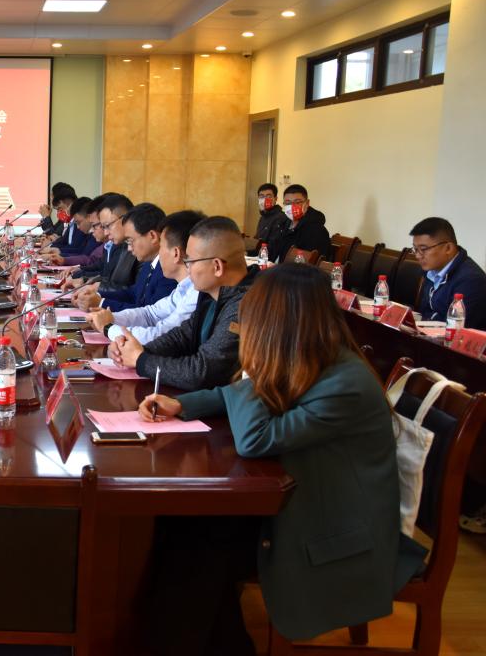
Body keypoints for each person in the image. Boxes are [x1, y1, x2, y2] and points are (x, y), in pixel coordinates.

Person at [137, 263, 426, 655]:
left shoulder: (345, 383)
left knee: (199, 548)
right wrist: (183, 405)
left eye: (254, 313)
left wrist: (253, 368)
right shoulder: (313, 357)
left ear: (278, 320)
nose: (245, 323)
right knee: (184, 530)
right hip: (310, 503)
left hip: (336, 532)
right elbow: (231, 396)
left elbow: (256, 439)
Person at [114, 216, 259, 390]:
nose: (187, 268)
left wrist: (141, 360)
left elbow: (202, 371)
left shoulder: (247, 304)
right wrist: (136, 350)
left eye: (190, 261)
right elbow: (182, 336)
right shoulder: (211, 294)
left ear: (217, 266)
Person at [89, 210, 204, 351]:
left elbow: (162, 334)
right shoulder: (184, 286)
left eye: (161, 247)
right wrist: (111, 317)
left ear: (176, 253)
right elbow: (151, 313)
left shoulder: (197, 292)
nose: (159, 253)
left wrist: (108, 328)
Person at [77, 204, 175, 313]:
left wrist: (101, 303)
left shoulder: (168, 271)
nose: (129, 248)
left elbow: (149, 314)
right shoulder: (149, 263)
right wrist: (97, 295)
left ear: (152, 236)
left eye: (130, 240)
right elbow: (132, 294)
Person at [409, 217, 486, 328]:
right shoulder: (431, 271)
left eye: (423, 249)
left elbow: (457, 329)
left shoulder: (471, 281)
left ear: (448, 248)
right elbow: (425, 311)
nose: (417, 255)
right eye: (415, 249)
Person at [63, 194, 136, 291]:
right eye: (103, 226)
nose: (106, 232)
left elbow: (132, 292)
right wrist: (84, 278)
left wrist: (94, 286)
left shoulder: (135, 249)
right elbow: (105, 274)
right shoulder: (119, 245)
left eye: (107, 225)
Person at [265, 184, 332, 263]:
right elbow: (271, 250)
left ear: (307, 203)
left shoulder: (317, 230)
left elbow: (309, 263)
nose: (292, 206)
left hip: (293, 270)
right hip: (276, 267)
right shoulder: (283, 224)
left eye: (297, 202)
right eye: (288, 203)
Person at [47, 198, 105, 267]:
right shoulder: (91, 233)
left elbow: (87, 257)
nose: (77, 227)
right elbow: (83, 253)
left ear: (88, 217)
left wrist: (62, 256)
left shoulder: (95, 235)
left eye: (61, 209)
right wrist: (58, 252)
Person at [251, 183, 289, 254]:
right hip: (259, 254)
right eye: (262, 196)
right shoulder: (263, 217)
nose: (265, 199)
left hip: (267, 257)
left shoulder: (281, 218)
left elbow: (273, 247)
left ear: (275, 199)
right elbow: (257, 240)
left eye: (269, 196)